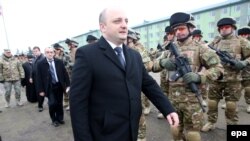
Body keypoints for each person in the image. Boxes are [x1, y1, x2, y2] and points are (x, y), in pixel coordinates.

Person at [69, 7, 179, 141]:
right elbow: (78, 102)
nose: (124, 25)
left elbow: (148, 84)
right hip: (104, 134)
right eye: (117, 21)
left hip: (132, 129)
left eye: (126, 21)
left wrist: (168, 109)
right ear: (103, 27)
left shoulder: (134, 55)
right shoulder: (87, 54)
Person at [153, 12, 223, 141]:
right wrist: (163, 62)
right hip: (173, 99)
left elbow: (218, 69)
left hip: (193, 100)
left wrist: (199, 76)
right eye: (175, 30)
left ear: (191, 28)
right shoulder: (169, 50)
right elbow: (153, 66)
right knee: (175, 129)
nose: (178, 32)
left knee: (192, 134)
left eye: (181, 29)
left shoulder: (201, 48)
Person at [201, 17, 250, 132]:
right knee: (212, 102)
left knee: (231, 105)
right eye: (221, 28)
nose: (224, 29)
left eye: (227, 27)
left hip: (233, 79)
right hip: (216, 78)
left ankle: (232, 126)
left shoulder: (241, 41)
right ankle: (211, 122)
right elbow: (204, 51)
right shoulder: (216, 41)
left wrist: (244, 62)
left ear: (233, 28)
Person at [36, 47, 70, 127]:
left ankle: (60, 118)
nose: (50, 54)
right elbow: (39, 78)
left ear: (54, 53)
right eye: (47, 52)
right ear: (45, 53)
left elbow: (65, 74)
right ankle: (54, 119)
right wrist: (40, 90)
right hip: (49, 87)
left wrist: (68, 85)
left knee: (59, 103)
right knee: (52, 103)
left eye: (51, 52)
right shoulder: (40, 63)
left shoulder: (59, 62)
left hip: (59, 85)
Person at [53, 43, 71, 108]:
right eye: (55, 50)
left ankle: (70, 104)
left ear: (60, 49)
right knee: (63, 89)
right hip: (60, 76)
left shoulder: (66, 55)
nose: (57, 51)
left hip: (67, 75)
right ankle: (66, 102)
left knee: (68, 89)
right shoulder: (54, 57)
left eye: (58, 49)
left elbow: (70, 65)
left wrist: (59, 59)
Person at [238, 26, 250, 113]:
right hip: (237, 70)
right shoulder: (237, 43)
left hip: (248, 70)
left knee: (248, 89)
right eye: (241, 34)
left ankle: (249, 104)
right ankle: (233, 102)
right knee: (236, 88)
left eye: (245, 34)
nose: (243, 36)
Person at [31, 46, 45, 112]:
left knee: (46, 91)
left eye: (36, 51)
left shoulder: (43, 58)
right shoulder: (34, 59)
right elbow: (32, 69)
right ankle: (40, 105)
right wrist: (31, 77)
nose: (35, 52)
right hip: (37, 79)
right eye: (34, 51)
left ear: (39, 51)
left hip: (44, 78)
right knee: (39, 92)